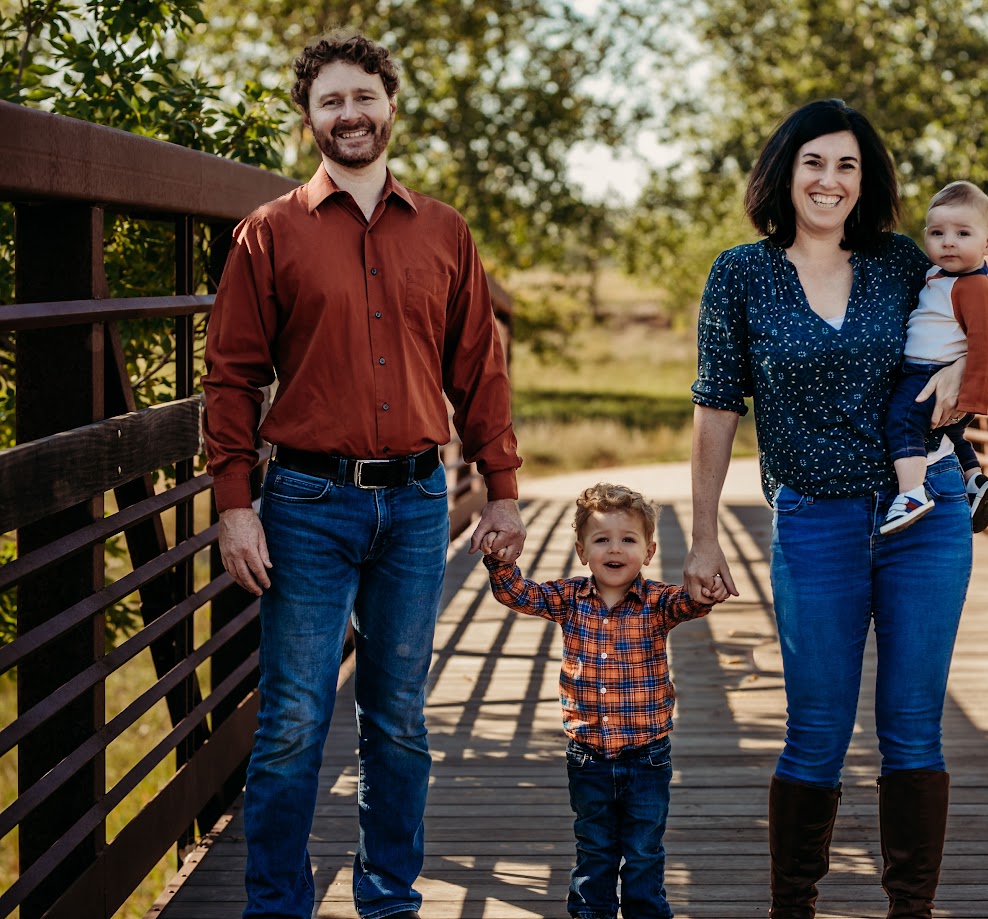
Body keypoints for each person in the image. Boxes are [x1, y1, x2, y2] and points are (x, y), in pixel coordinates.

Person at [203, 32, 525, 919]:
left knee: (399, 721)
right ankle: (277, 906)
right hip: (305, 502)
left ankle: (388, 899)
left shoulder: (446, 232)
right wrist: (236, 507)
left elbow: (479, 369)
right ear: (308, 118)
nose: (350, 115)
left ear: (391, 104)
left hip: (420, 503)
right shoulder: (269, 234)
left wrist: (500, 488)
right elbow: (231, 376)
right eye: (331, 101)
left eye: (364, 97)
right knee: (293, 725)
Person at [684, 99, 973, 919]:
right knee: (814, 728)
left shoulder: (899, 262)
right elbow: (714, 406)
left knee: (914, 726)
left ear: (864, 179)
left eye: (847, 165)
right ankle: (793, 907)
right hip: (814, 520)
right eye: (815, 162)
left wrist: (967, 376)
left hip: (925, 512)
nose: (830, 180)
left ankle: (909, 910)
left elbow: (976, 313)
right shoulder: (740, 273)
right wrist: (704, 539)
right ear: (785, 171)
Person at [482, 483, 717, 919]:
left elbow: (691, 604)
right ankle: (592, 913)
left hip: (647, 757)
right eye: (601, 539)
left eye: (628, 540)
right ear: (581, 550)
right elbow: (519, 595)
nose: (615, 548)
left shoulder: (657, 602)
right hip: (587, 756)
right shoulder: (569, 598)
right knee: (595, 847)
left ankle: (647, 913)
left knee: (644, 849)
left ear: (647, 552)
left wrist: (708, 588)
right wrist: (500, 562)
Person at [880, 180, 988, 536]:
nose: (948, 242)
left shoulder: (974, 285)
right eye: (937, 233)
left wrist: (971, 399)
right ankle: (974, 480)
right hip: (927, 369)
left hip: (928, 373)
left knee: (901, 422)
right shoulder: (939, 274)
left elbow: (984, 343)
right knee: (953, 437)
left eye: (963, 233)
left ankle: (911, 494)